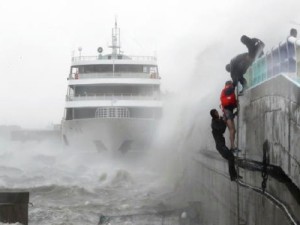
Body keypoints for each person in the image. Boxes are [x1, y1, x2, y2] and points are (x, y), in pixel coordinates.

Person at [210, 109, 240, 181]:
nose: (217, 113)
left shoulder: (217, 120)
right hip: (220, 146)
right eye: (216, 113)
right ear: (213, 115)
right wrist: (224, 121)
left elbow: (226, 119)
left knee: (231, 158)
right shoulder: (214, 123)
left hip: (222, 145)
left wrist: (233, 115)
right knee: (231, 157)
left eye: (217, 112)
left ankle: (234, 175)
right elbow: (222, 129)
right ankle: (233, 176)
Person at [220, 80, 238, 151]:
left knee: (233, 130)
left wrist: (236, 104)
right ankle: (232, 147)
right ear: (229, 84)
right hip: (227, 112)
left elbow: (231, 101)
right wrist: (235, 82)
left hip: (228, 112)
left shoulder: (226, 91)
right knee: (232, 130)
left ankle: (232, 146)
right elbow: (230, 90)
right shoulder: (227, 89)